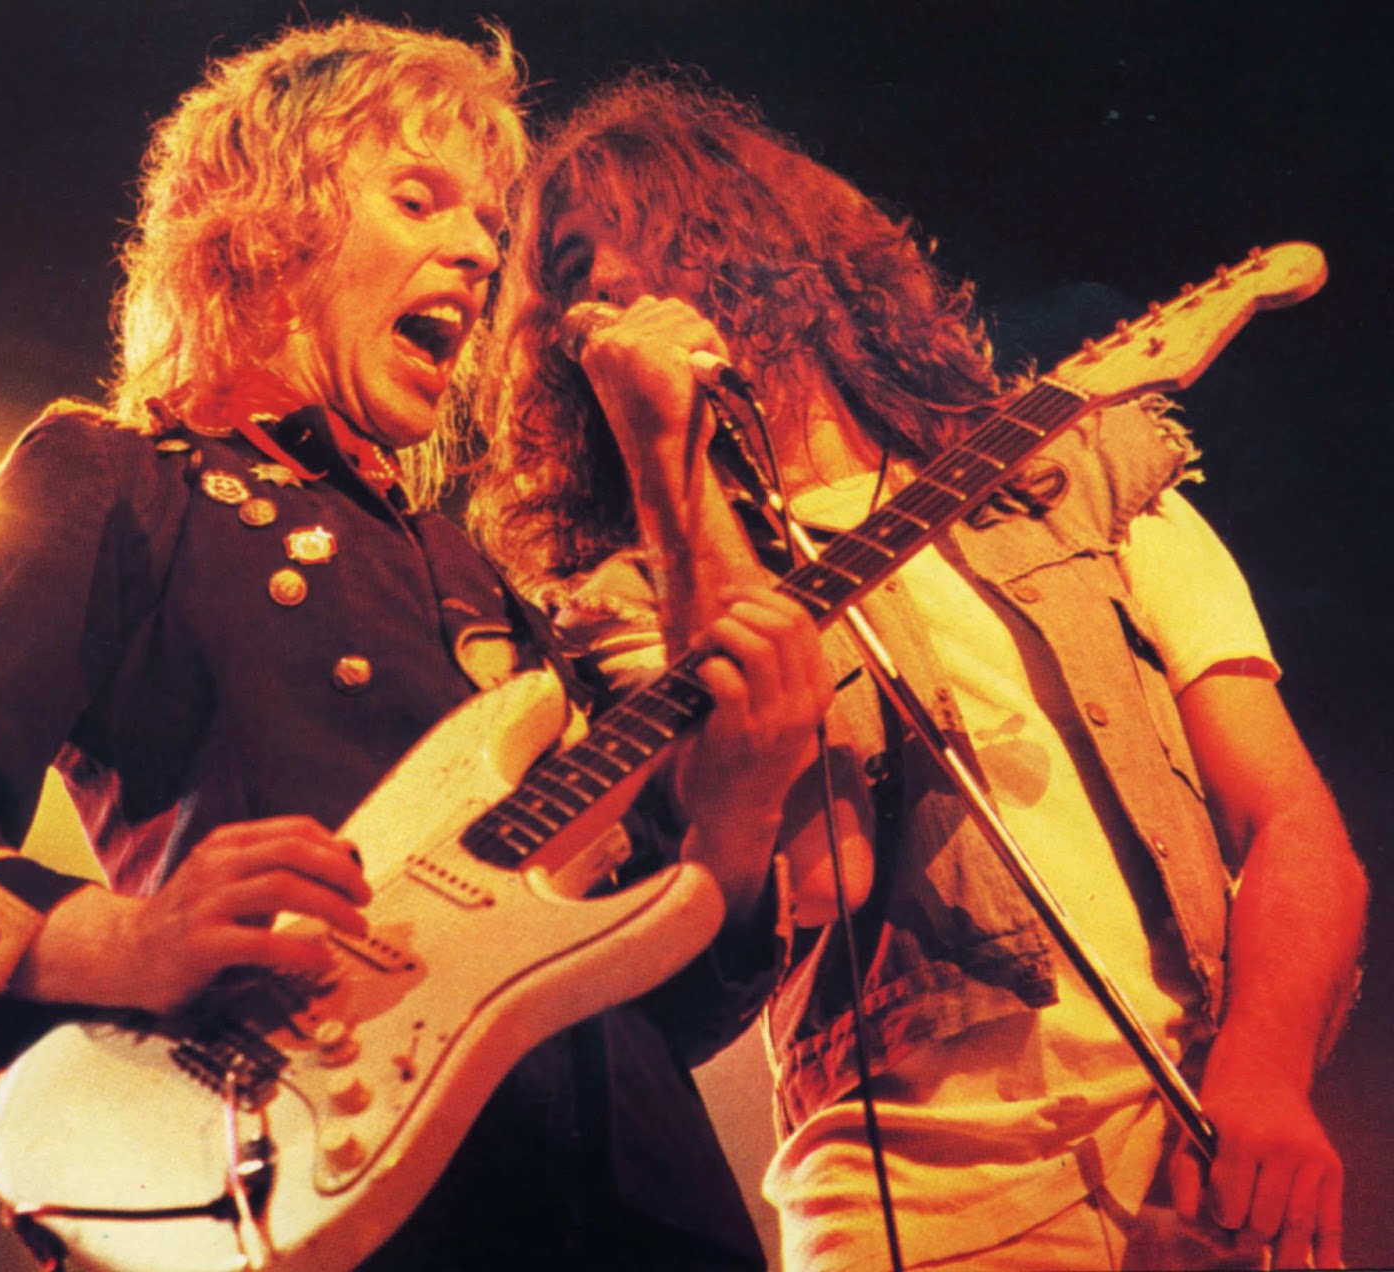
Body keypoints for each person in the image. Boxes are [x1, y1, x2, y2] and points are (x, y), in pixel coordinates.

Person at [0, 26, 834, 1270]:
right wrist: (127, 943)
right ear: (263, 225)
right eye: (418, 199)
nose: (479, 252)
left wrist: (736, 814)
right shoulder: (117, 480)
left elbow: (654, 1014)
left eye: (488, 224)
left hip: (653, 1218)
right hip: (336, 1201)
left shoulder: (484, 586)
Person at [469, 73, 1369, 1271]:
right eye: (573, 271)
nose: (608, 289)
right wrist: (664, 466)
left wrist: (1262, 1073)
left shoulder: (1073, 470)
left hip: (1199, 1151)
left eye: (643, 235)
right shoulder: (625, 605)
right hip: (909, 1200)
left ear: (757, 239)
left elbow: (1293, 821)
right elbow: (812, 866)